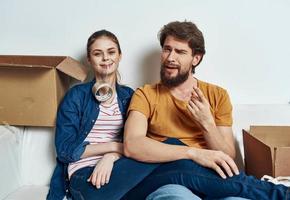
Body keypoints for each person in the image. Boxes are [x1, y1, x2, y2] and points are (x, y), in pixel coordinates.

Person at [122, 21, 290, 200]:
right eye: (167, 49)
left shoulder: (217, 95)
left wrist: (207, 124)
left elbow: (227, 157)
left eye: (180, 52)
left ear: (196, 58)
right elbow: (132, 145)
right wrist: (193, 153)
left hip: (215, 182)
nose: (170, 57)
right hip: (169, 181)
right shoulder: (145, 95)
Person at [47, 29, 183, 200]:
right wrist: (114, 147)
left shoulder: (130, 96)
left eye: (111, 52)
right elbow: (65, 151)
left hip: (120, 172)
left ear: (119, 56)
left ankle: (226, 186)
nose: (106, 58)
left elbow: (142, 143)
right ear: (89, 59)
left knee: (174, 162)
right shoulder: (76, 96)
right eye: (98, 54)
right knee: (175, 148)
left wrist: (111, 157)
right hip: (84, 177)